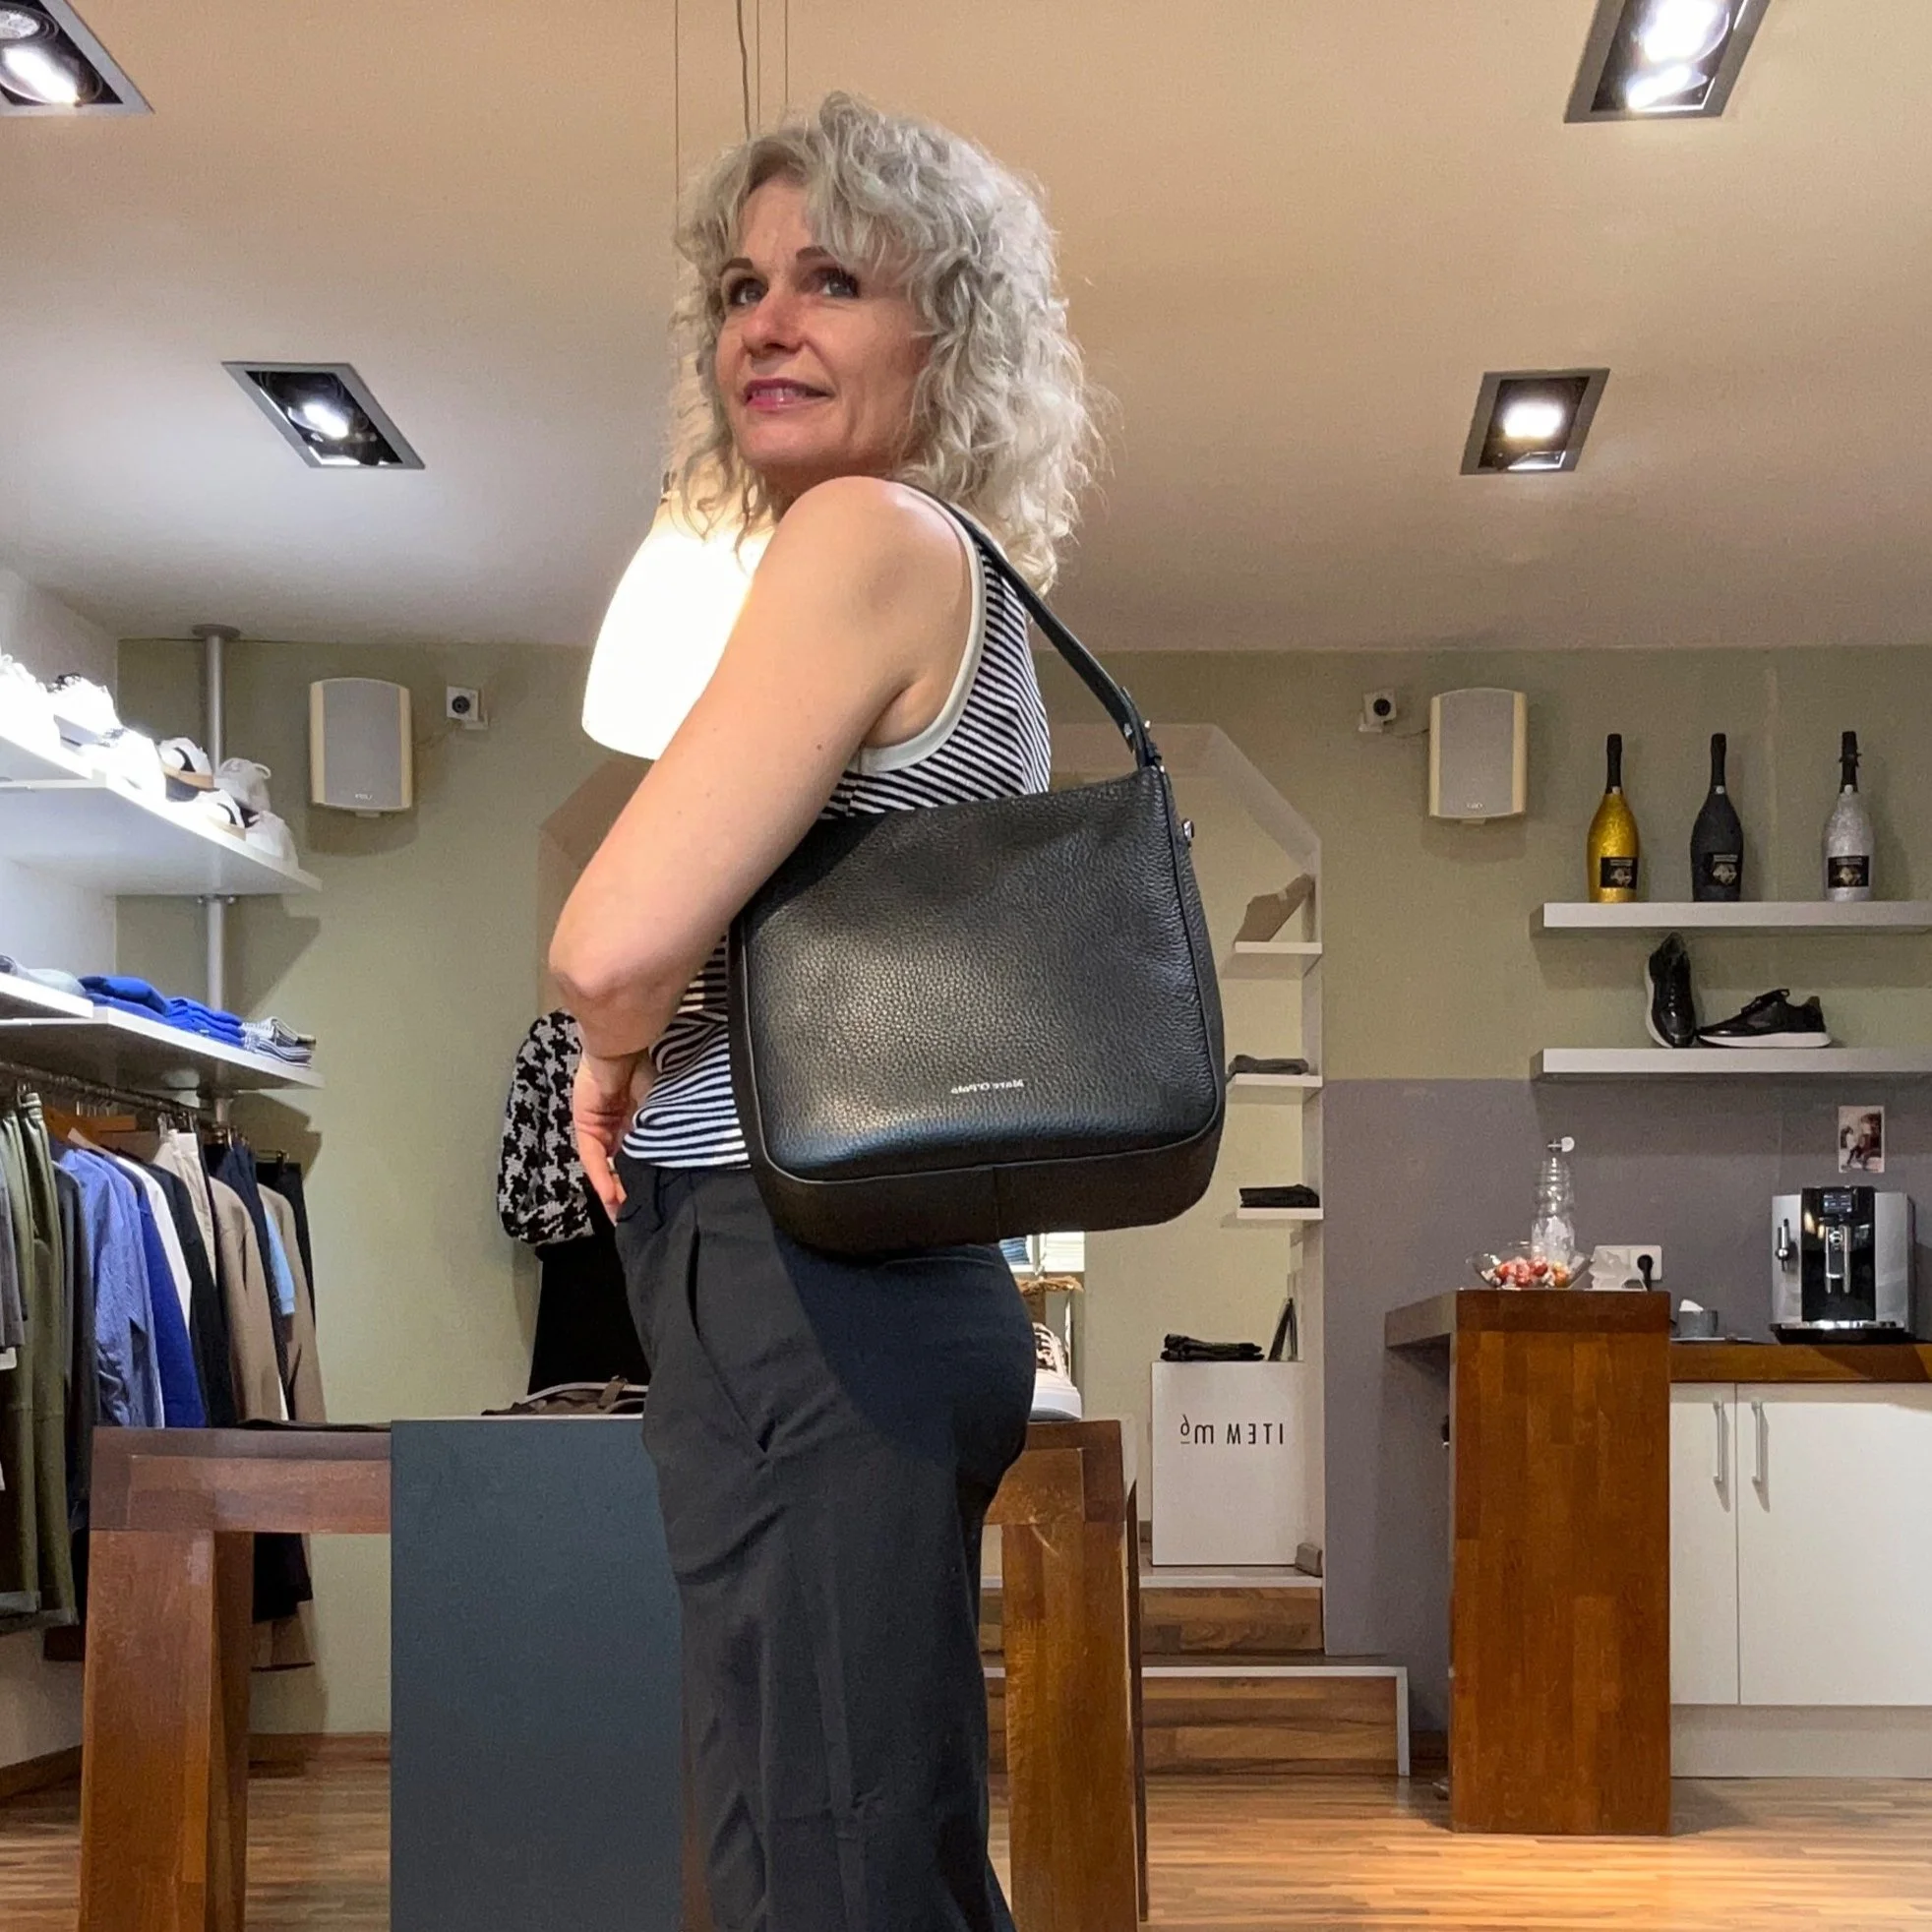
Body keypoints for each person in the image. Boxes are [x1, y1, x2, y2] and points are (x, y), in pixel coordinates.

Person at [549, 91, 1099, 1932]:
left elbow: (607, 946)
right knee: (830, 1847)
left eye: (833, 281)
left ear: (947, 333)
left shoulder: (862, 535)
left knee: (835, 1864)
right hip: (842, 1273)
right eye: (741, 286)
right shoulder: (946, 566)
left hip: (807, 1276)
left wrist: (613, 1040)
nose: (766, 323)